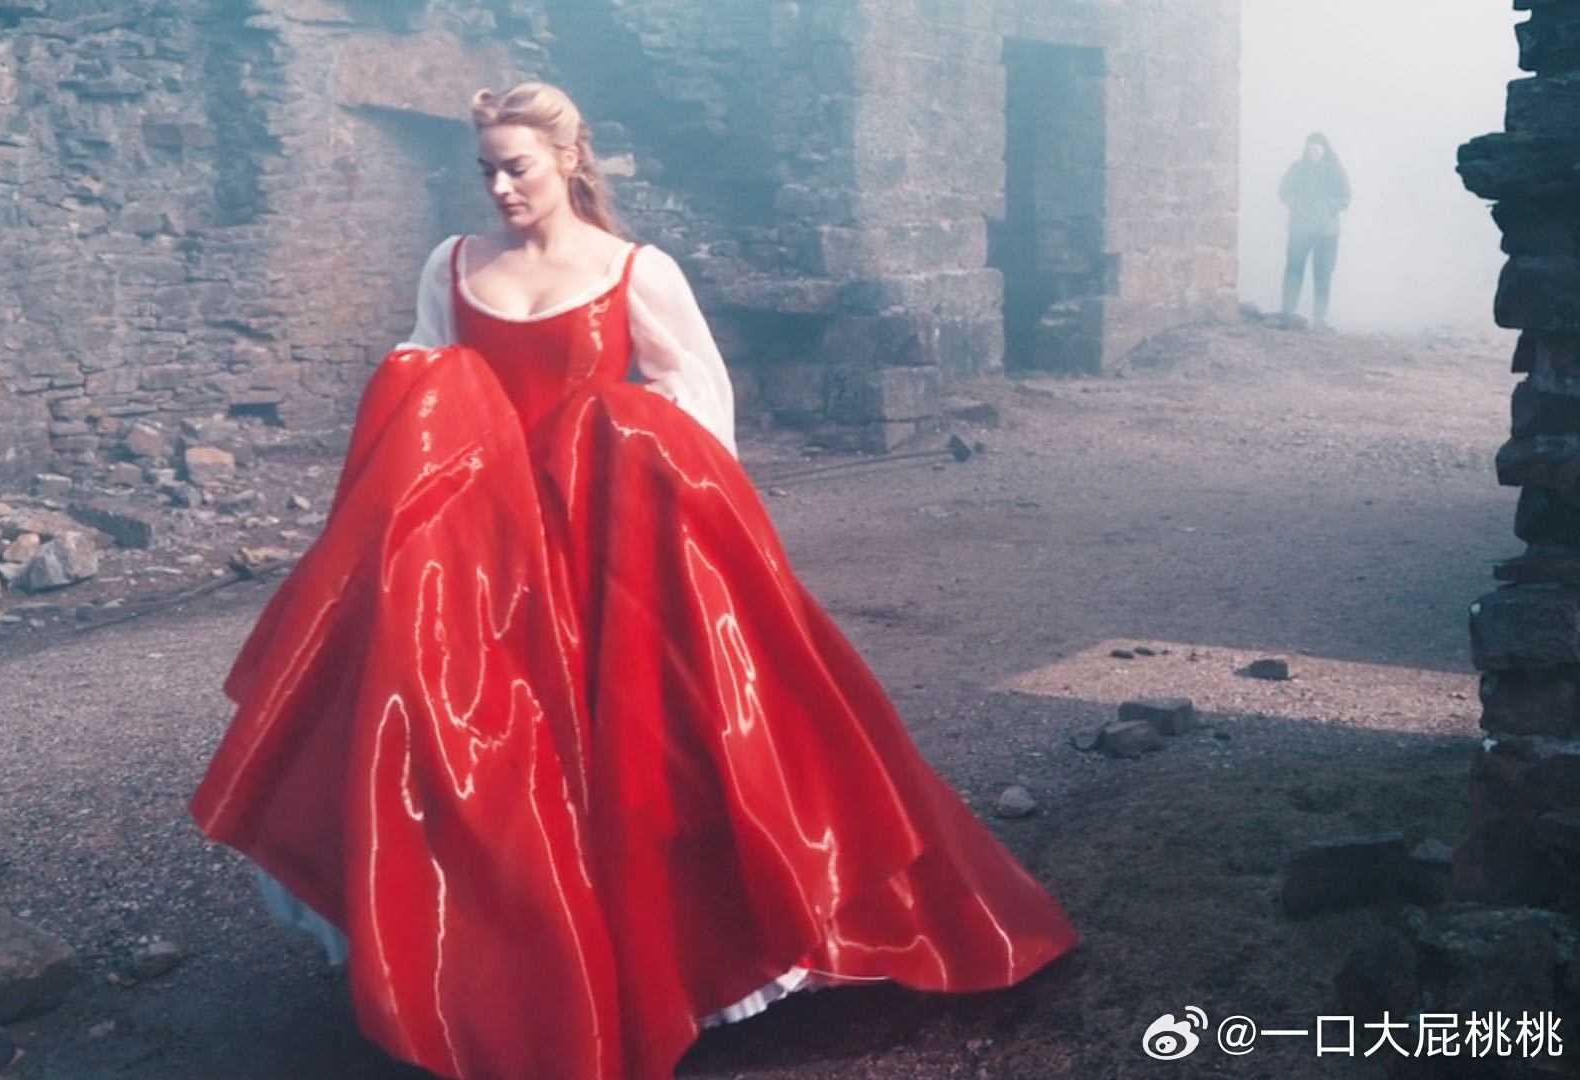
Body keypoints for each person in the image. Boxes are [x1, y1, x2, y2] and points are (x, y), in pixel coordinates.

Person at [190, 83, 1078, 1080]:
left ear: (568, 161)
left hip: (604, 539)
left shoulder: (634, 271)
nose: (499, 188)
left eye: (516, 167)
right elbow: (426, 406)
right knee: (463, 752)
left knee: (651, 759)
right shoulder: (452, 266)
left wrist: (679, 529)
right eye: (485, 170)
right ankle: (510, 968)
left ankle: (669, 961)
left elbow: (698, 405)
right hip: (477, 554)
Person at [1278, 132, 1351, 332]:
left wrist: (1328, 206)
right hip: (1300, 230)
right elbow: (1283, 190)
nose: (1313, 152)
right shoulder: (1297, 169)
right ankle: (1287, 314)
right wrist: (1293, 202)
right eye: (1310, 149)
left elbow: (1346, 197)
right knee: (1293, 271)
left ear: (1324, 150)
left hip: (1326, 233)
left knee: (1323, 276)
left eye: (1316, 149)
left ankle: (1320, 320)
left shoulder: (1335, 170)